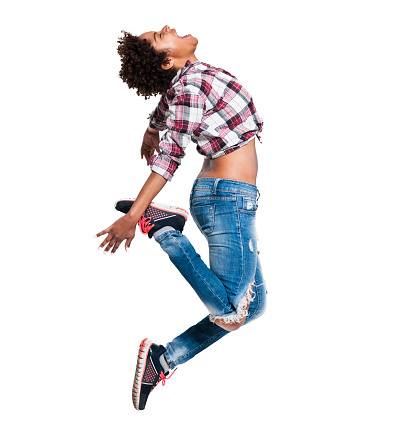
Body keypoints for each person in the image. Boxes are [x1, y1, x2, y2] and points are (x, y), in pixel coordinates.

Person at [96, 25, 267, 411]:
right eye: (160, 35)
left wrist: (151, 127)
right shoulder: (188, 86)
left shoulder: (186, 80)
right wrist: (136, 215)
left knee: (250, 308)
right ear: (168, 58)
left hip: (232, 198)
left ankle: (164, 359)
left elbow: (168, 105)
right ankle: (166, 232)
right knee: (229, 311)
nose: (169, 27)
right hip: (226, 199)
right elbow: (170, 157)